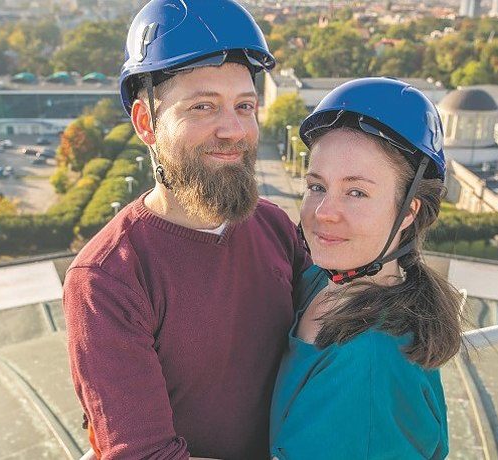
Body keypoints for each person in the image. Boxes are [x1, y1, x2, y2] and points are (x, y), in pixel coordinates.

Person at [62, 1, 309, 458]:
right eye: (202, 107)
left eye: (244, 106)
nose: (233, 130)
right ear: (146, 123)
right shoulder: (108, 279)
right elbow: (146, 455)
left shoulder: (274, 226)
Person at [269, 78, 464, 459]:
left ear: (408, 211)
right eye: (317, 186)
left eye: (356, 192)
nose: (324, 213)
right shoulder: (321, 279)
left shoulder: (370, 362)